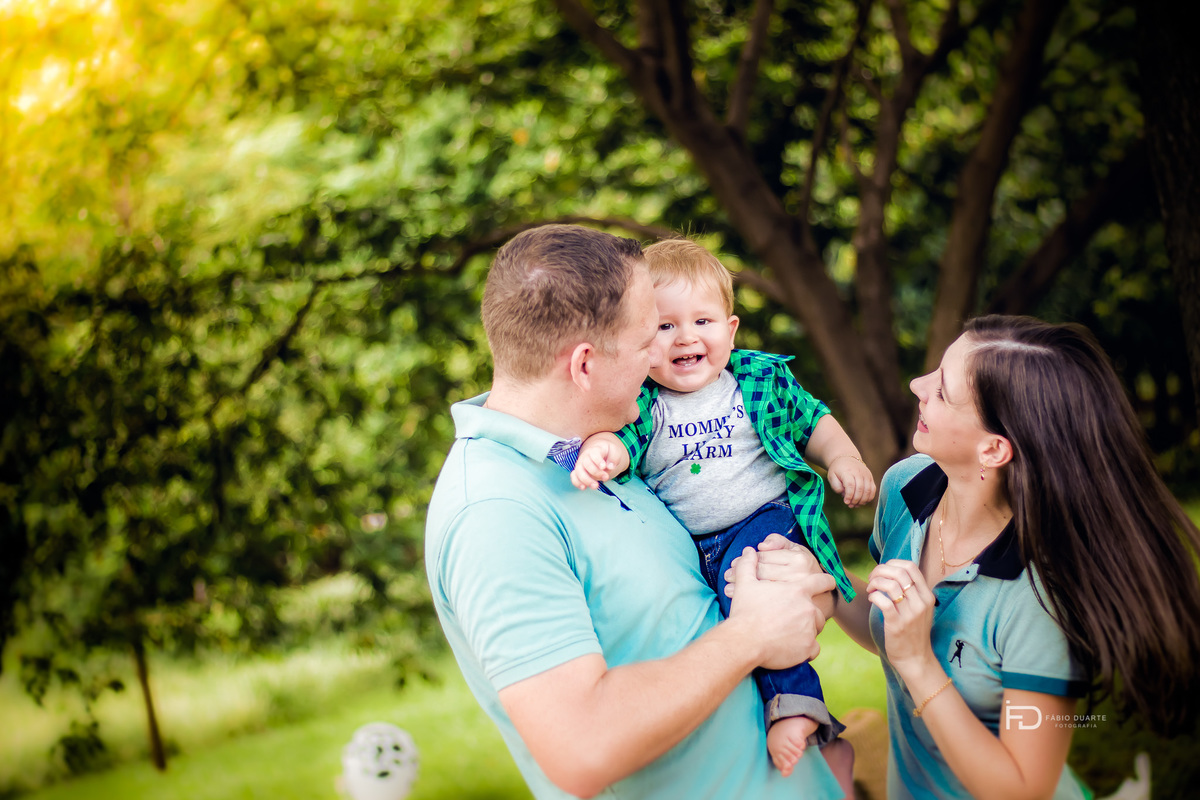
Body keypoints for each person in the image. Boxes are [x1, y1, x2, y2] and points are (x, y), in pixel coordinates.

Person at [424, 224, 845, 800]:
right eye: (649, 339)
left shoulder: (603, 449)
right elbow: (582, 747)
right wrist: (752, 635)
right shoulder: (494, 514)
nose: (661, 357)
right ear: (585, 365)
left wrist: (799, 589)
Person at [731, 314, 1200, 799]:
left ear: (993, 450)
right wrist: (824, 579)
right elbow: (891, 625)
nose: (917, 385)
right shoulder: (906, 487)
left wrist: (919, 663)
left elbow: (1025, 790)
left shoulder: (1041, 601)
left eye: (942, 390)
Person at [569, 238, 873, 786]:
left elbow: (813, 420)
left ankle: (798, 709)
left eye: (702, 321)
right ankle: (826, 754)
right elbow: (620, 446)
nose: (686, 337)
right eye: (665, 326)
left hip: (764, 522)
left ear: (730, 331)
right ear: (641, 341)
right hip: (697, 548)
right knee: (722, 638)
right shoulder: (643, 404)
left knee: (755, 603)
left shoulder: (755, 380)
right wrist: (600, 450)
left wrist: (844, 458)